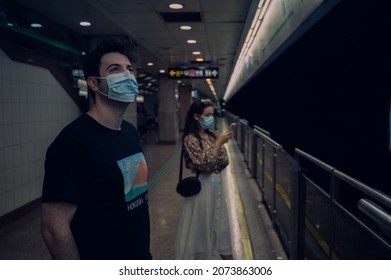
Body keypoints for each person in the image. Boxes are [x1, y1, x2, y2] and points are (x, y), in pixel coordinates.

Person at [41, 37, 152, 260]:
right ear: (94, 83)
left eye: (130, 69)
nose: (127, 75)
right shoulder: (73, 141)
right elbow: (54, 230)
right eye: (115, 69)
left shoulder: (129, 131)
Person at [175, 98, 233, 259]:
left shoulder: (211, 136)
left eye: (211, 115)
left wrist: (215, 151)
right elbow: (205, 165)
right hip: (201, 190)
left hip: (216, 187)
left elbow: (224, 160)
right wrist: (218, 145)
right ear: (197, 117)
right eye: (207, 115)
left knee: (221, 229)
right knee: (200, 231)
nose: (210, 118)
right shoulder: (190, 139)